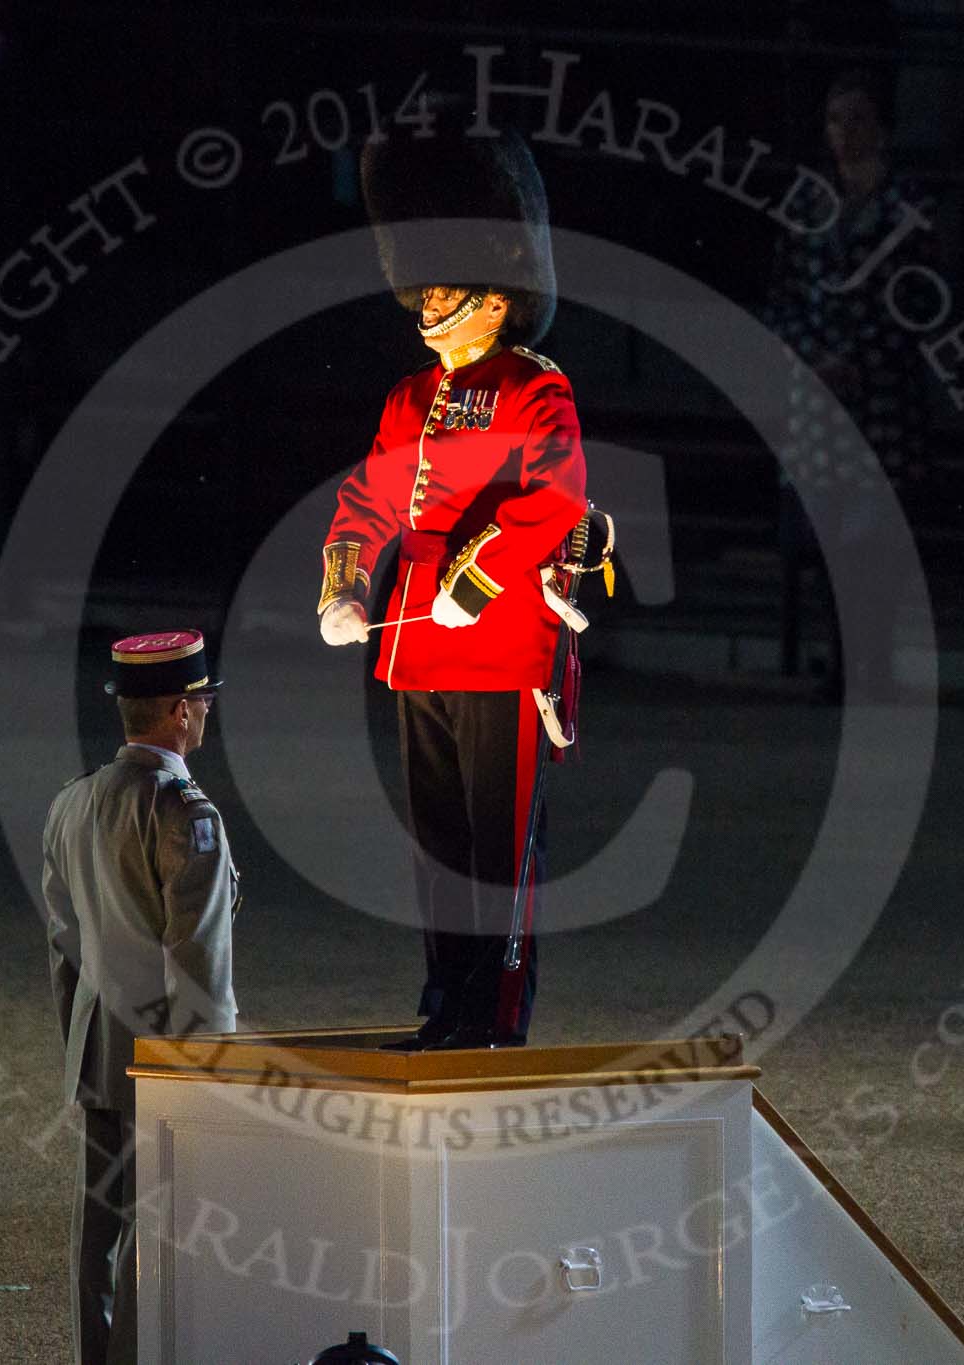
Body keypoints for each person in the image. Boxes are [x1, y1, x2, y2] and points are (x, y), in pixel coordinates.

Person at [318, 125, 586, 1051]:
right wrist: (345, 585)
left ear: (495, 289)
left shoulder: (534, 390)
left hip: (500, 638)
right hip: (418, 644)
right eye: (423, 283)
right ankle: (447, 998)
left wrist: (473, 584)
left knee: (501, 846)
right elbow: (369, 498)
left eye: (444, 282)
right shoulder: (409, 396)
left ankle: (496, 1011)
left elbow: (553, 500)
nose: (427, 300)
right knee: (439, 846)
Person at [41, 629, 239, 1365]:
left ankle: (96, 1356)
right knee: (164, 1227)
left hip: (98, 1041)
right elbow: (200, 963)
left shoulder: (73, 803)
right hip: (165, 1053)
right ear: (180, 712)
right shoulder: (185, 813)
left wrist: (79, 1042)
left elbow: (63, 945)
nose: (205, 715)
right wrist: (211, 1070)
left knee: (99, 1223)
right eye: (202, 703)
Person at [763, 67, 938, 702]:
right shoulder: (808, 206)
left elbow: (919, 303)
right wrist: (816, 358)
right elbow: (781, 297)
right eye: (836, 121)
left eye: (858, 119)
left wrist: (859, 360)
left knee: (876, 541)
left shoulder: (906, 207)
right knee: (827, 537)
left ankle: (875, 666)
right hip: (819, 394)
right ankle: (842, 663)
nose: (845, 134)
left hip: (880, 393)